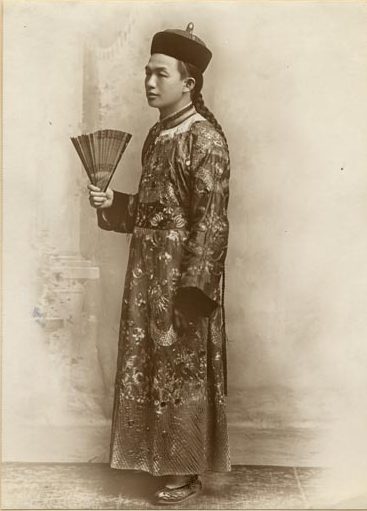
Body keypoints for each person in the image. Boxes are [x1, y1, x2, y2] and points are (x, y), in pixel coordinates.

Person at [88, 22, 231, 505]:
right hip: (146, 273)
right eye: (146, 73)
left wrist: (193, 292)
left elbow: (211, 222)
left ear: (188, 83)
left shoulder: (205, 140)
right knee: (149, 364)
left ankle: (185, 470)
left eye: (160, 74)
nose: (149, 82)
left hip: (181, 281)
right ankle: (150, 457)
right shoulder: (157, 135)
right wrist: (111, 201)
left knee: (181, 365)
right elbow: (153, 211)